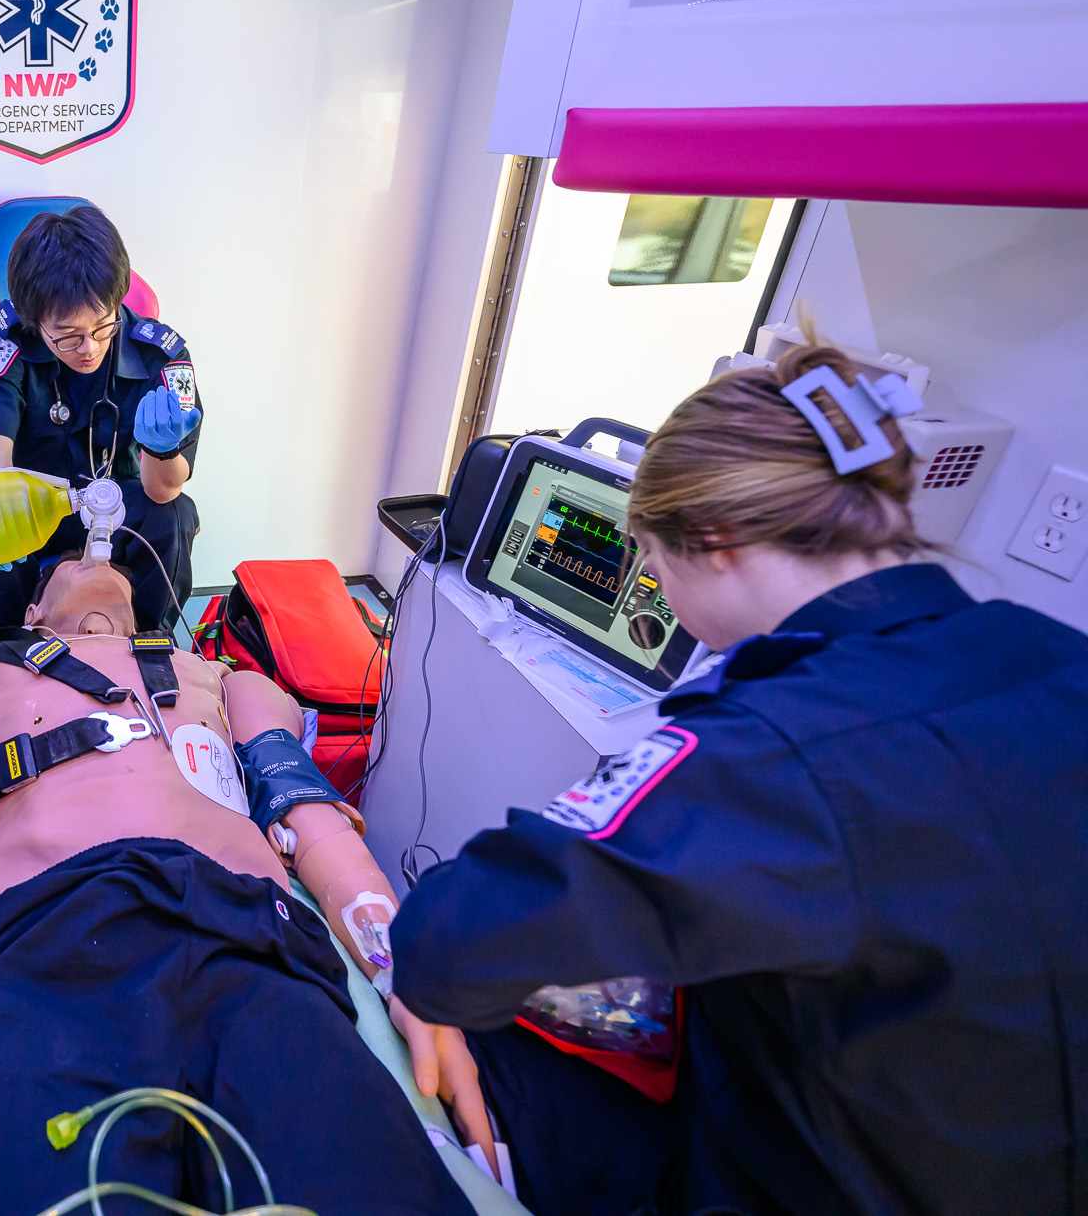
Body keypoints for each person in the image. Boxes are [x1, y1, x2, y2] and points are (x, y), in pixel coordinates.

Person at [391, 343, 1088, 1216]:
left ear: (715, 542)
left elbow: (444, 942)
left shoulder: (771, 750)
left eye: (654, 565)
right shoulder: (1055, 654)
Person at [0, 554, 479, 1216]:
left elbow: (307, 813)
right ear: (32, 612)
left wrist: (398, 966)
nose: (96, 559)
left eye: (113, 566)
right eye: (70, 565)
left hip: (256, 942)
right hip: (44, 941)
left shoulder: (223, 680)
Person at [0, 205, 202, 633]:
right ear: (35, 321)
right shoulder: (8, 341)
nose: (89, 347)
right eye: (68, 335)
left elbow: (163, 490)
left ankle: (150, 641)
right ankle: (6, 644)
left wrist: (163, 450)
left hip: (120, 504)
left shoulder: (161, 356)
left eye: (103, 326)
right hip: (36, 507)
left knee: (175, 514)